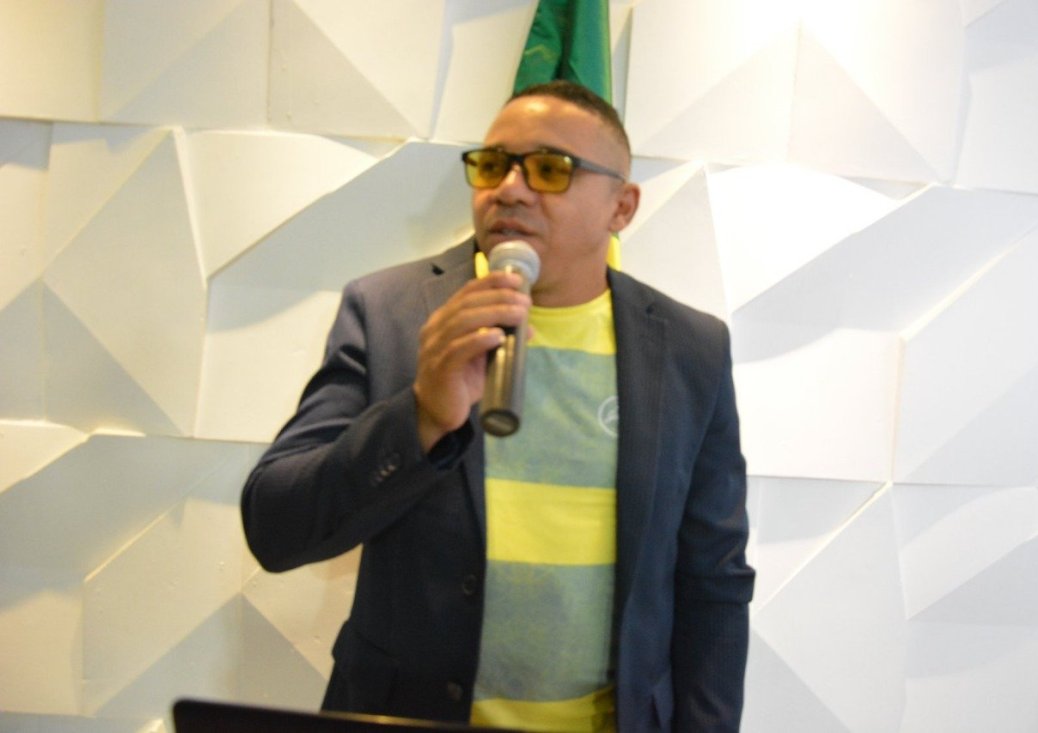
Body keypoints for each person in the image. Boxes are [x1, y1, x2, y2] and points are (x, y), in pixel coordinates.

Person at [241, 80, 754, 732]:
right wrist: (421, 416)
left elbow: (714, 577)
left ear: (621, 207)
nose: (510, 189)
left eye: (549, 169)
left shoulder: (690, 349)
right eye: (492, 165)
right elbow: (275, 528)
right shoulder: (390, 312)